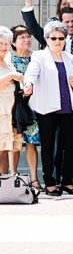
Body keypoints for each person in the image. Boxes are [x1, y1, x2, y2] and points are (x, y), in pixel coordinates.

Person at [23, 21, 73, 196]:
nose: (57, 41)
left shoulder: (70, 58)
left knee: (69, 146)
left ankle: (67, 181)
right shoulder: (39, 56)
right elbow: (32, 72)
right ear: (47, 39)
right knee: (48, 147)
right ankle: (50, 183)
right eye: (53, 38)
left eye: (61, 38)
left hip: (67, 108)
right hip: (47, 108)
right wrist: (28, 84)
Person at [9, 26, 40, 189]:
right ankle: (13, 178)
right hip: (14, 107)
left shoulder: (36, 57)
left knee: (31, 142)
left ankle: (34, 179)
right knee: (15, 142)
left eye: (28, 36)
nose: (27, 40)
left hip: (32, 106)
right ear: (13, 42)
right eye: (22, 37)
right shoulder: (8, 59)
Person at [0, 27, 24, 176]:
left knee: (4, 150)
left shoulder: (8, 62)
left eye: (6, 44)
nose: (3, 47)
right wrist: (12, 76)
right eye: (0, 43)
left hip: (10, 112)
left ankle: (3, 186)